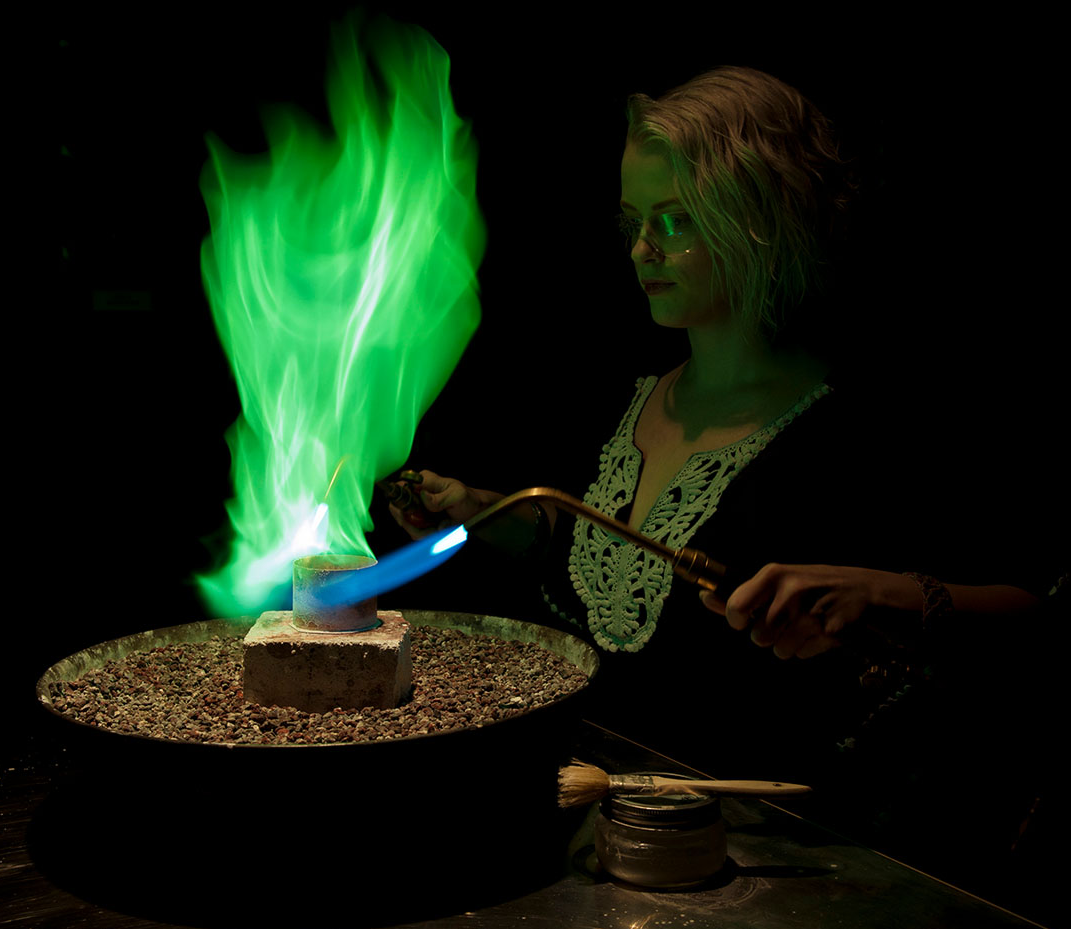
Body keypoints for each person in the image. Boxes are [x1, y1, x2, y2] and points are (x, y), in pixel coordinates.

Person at [389, 66, 1049, 792]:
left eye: (673, 221)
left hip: (780, 848)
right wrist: (489, 515)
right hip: (591, 811)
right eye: (632, 223)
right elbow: (581, 540)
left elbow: (1035, 617)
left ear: (762, 222)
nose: (641, 251)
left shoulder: (872, 427)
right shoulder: (617, 397)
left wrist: (884, 591)